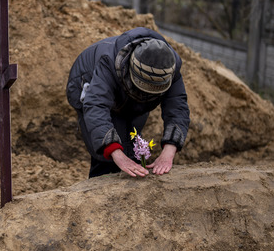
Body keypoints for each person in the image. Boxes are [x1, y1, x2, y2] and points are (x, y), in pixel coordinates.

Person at [66, 27, 190, 178]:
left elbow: (177, 107)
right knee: (108, 158)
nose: (145, 94)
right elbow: (96, 106)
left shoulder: (170, 68)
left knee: (133, 148)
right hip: (87, 85)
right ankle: (99, 191)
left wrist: (168, 152)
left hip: (132, 101)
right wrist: (115, 152)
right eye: (143, 89)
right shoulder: (108, 61)